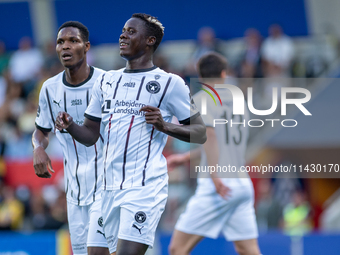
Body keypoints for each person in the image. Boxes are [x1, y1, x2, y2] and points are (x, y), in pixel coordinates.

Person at [55, 13, 206, 255]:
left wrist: (165, 126)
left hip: (143, 189)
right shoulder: (107, 81)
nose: (123, 35)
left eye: (132, 32)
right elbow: (91, 135)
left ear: (150, 41)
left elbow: (200, 132)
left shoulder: (170, 83)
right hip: (105, 189)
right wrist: (70, 125)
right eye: (123, 30)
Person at [168, 52, 261, 255]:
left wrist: (215, 175)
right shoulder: (240, 101)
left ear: (200, 76)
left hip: (217, 186)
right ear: (223, 74)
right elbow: (222, 144)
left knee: (177, 249)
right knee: (248, 250)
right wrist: (185, 158)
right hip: (241, 183)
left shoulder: (202, 99)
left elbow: (210, 135)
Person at [32, 21, 109, 255]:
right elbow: (41, 131)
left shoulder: (107, 82)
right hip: (74, 192)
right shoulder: (49, 88)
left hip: (107, 186)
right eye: (60, 42)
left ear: (86, 47)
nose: (65, 46)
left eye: (73, 41)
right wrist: (38, 148)